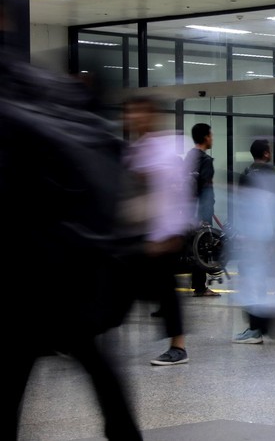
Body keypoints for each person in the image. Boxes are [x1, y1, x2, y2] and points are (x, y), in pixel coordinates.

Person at [2, 42, 143, 440]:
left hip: (35, 272)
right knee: (96, 361)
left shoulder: (24, 120)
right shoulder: (95, 133)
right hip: (79, 271)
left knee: (17, 366)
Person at [123, 96, 195, 366]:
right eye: (130, 113)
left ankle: (179, 346)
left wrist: (175, 232)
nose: (134, 118)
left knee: (166, 289)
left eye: (139, 112)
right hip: (138, 232)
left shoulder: (171, 146)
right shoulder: (136, 149)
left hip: (164, 233)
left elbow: (179, 192)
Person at [231, 139, 275, 344]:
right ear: (265, 153)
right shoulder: (273, 172)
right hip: (271, 231)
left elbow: (241, 205)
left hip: (254, 232)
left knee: (252, 275)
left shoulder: (246, 174)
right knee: (263, 273)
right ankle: (260, 326)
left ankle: (256, 328)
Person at [184, 123, 221, 297]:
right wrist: (205, 216)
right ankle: (200, 287)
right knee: (203, 248)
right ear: (206, 137)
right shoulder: (205, 161)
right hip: (200, 211)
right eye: (211, 135)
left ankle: (197, 284)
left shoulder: (189, 158)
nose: (212, 138)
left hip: (187, 210)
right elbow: (206, 190)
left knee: (192, 247)